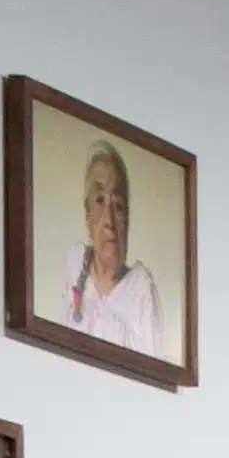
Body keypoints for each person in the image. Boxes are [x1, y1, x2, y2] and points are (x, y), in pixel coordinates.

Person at [55, 139, 170, 360]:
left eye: (117, 205)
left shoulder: (140, 288)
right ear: (87, 215)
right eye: (99, 201)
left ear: (127, 219)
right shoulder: (74, 265)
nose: (109, 219)